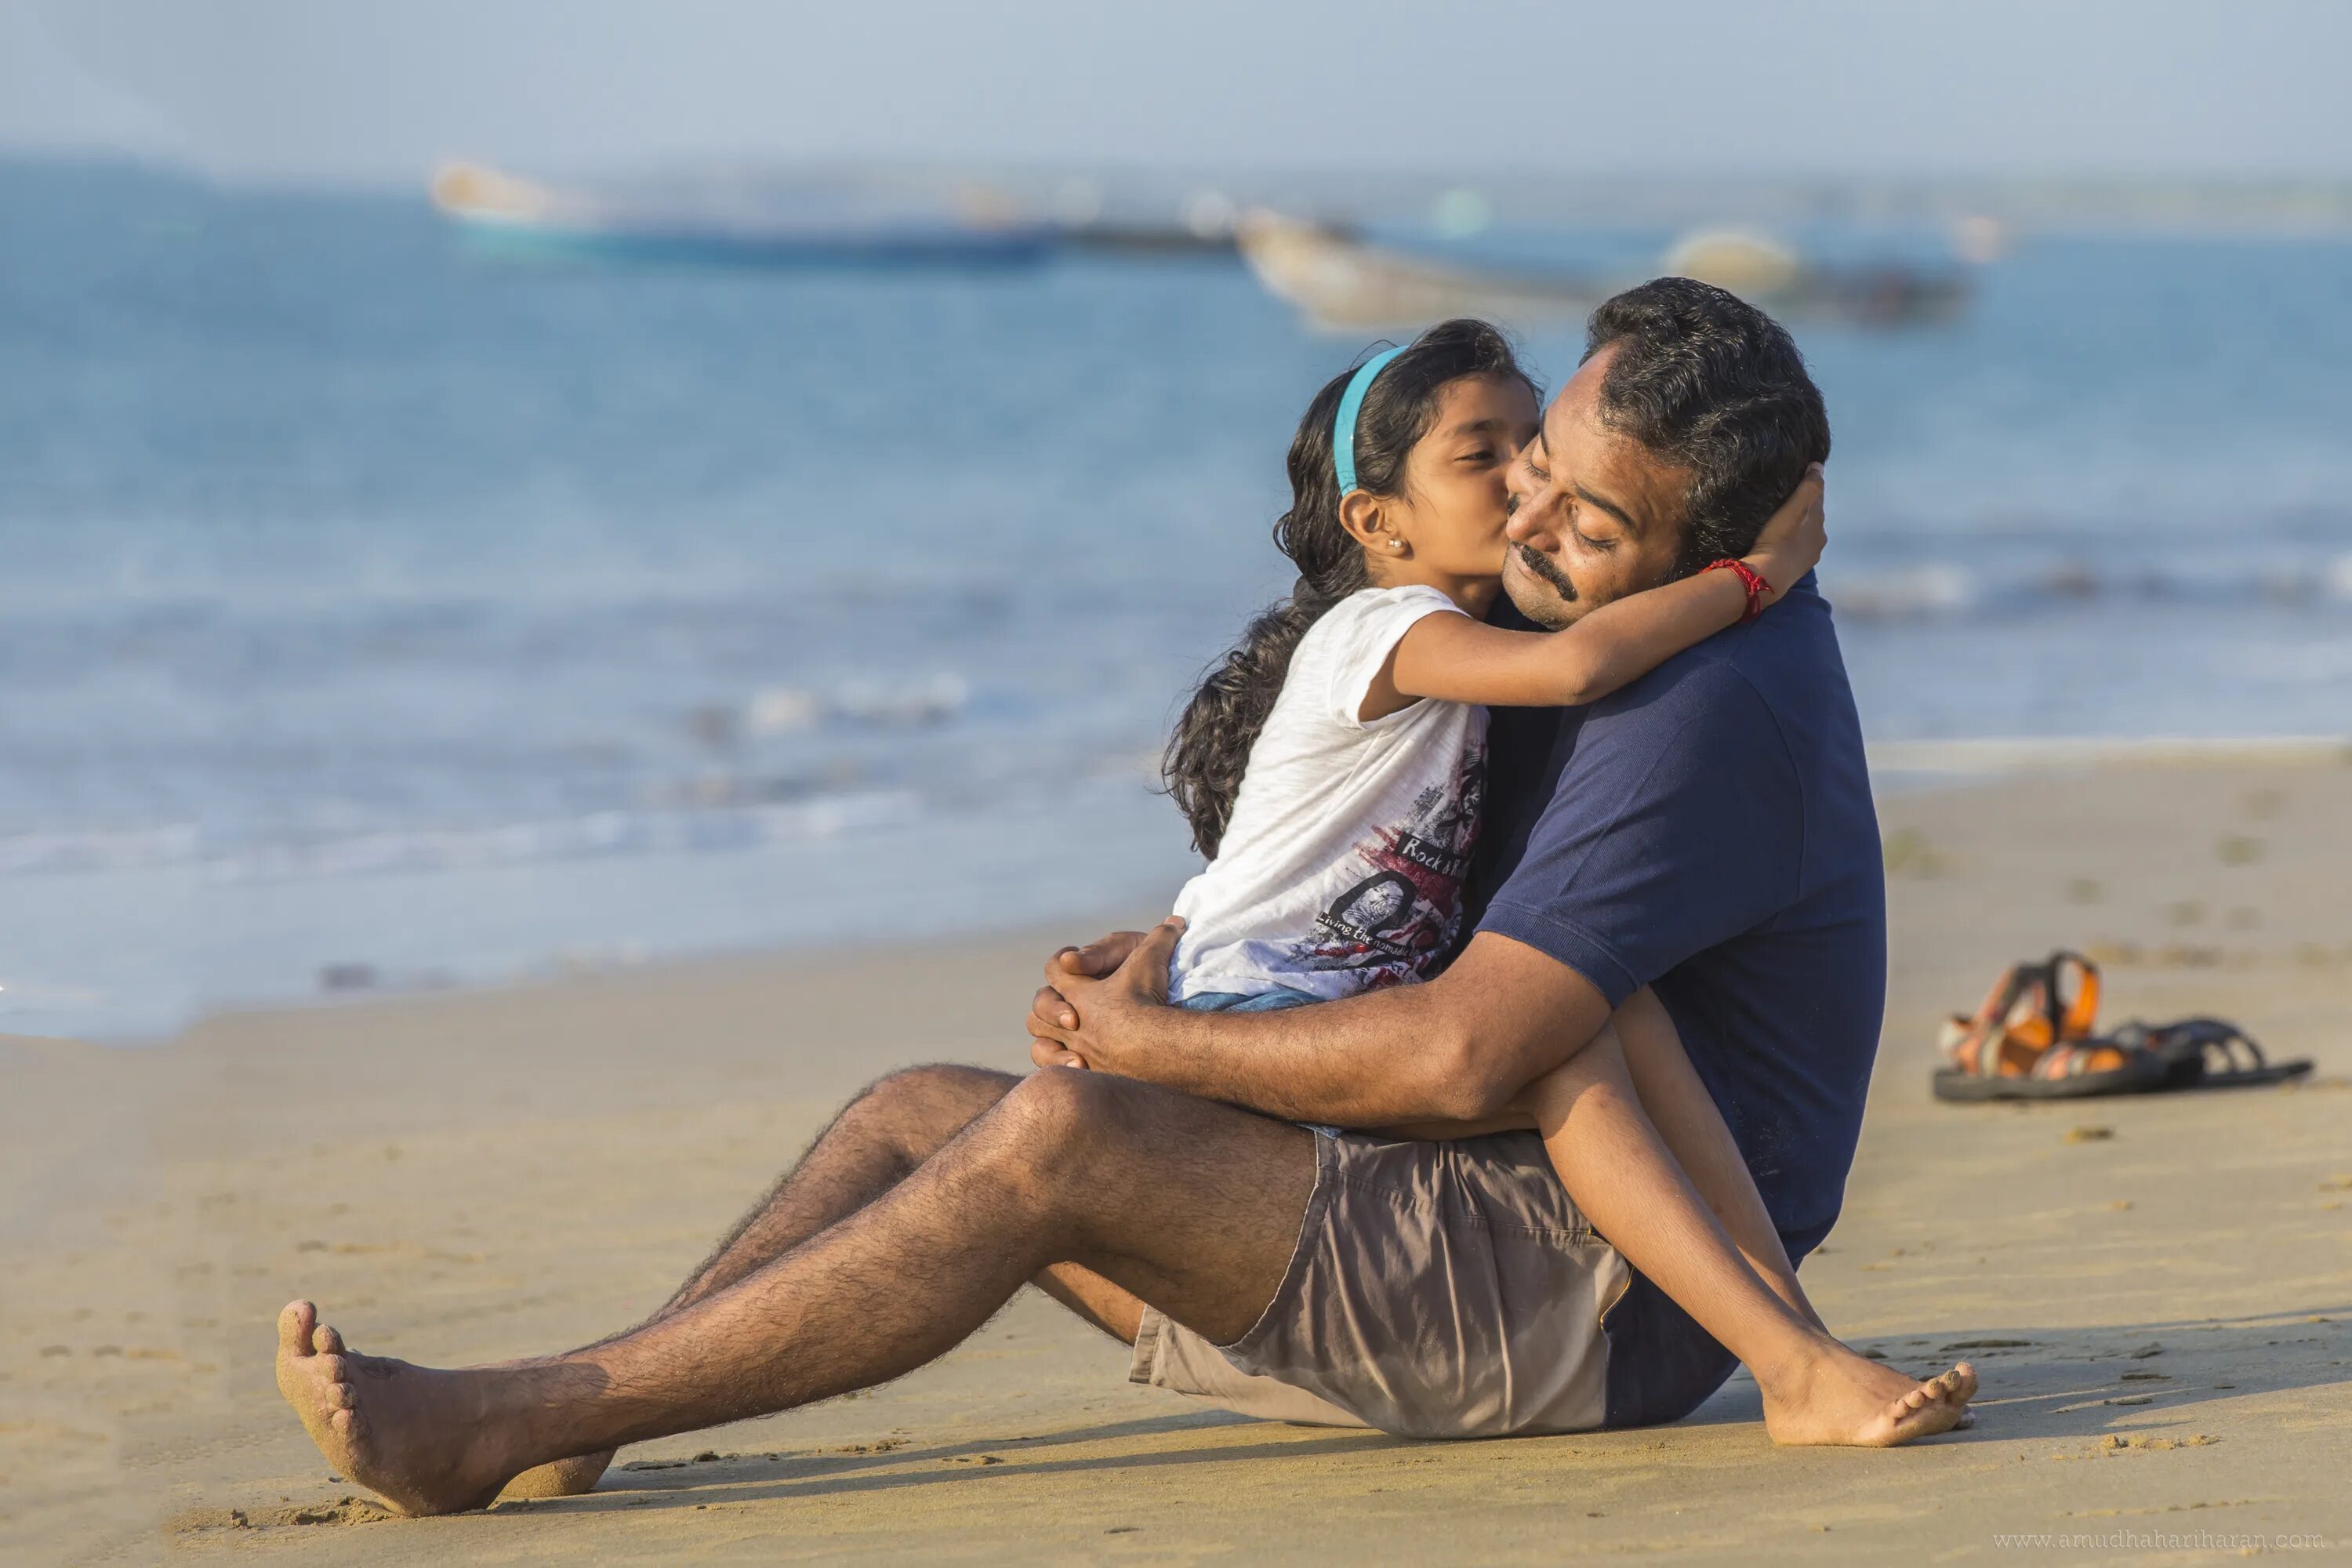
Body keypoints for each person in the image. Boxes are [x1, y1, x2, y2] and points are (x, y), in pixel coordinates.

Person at [272, 281, 1972, 1519]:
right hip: (1459, 1224)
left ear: (1720, 552)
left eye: (1582, 514)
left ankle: (490, 1421)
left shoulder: (1700, 707)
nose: (1528, 504)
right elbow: (1369, 882)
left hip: (1582, 1306)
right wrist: (1185, 951)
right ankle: (596, 1416)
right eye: (1528, 460)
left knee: (1060, 1134)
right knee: (911, 1114)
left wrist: (1149, 1045)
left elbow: (1469, 1058)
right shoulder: (1535, 643)